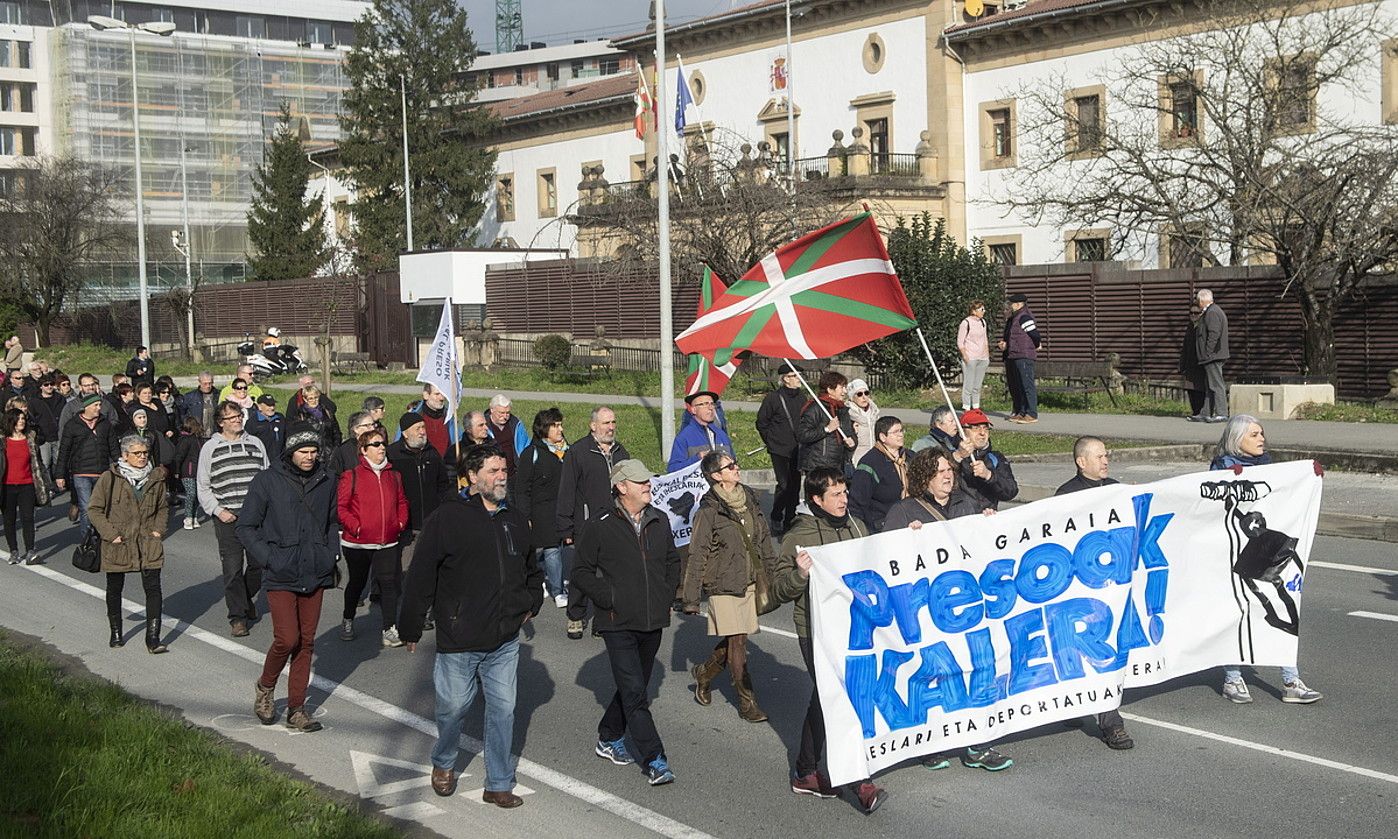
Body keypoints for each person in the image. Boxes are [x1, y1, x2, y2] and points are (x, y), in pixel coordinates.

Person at [399, 444, 542, 808]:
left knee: (504, 709)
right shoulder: (448, 518)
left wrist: (530, 603)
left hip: (504, 639)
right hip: (460, 637)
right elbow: (420, 575)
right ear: (473, 478)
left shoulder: (514, 518)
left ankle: (498, 782)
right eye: (493, 471)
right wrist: (411, 626)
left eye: (503, 470)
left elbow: (530, 567)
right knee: (453, 709)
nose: (501, 477)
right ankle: (444, 761)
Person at [881, 449, 1014, 773]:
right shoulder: (903, 511)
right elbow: (885, 559)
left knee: (978, 669)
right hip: (927, 611)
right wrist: (904, 539)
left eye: (949, 470)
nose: (947, 475)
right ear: (924, 477)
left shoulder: (965, 505)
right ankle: (930, 742)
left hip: (964, 608)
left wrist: (989, 526)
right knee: (933, 675)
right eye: (939, 471)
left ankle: (977, 744)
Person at [770, 468, 883, 813]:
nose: (843, 499)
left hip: (856, 628)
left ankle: (805, 771)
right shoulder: (799, 535)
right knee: (841, 699)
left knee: (827, 699)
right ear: (816, 500)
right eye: (835, 494)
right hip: (815, 631)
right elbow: (777, 588)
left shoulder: (856, 525)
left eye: (844, 492)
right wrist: (800, 574)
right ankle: (858, 781)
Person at [573, 458, 681, 786]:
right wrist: (609, 598)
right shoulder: (601, 524)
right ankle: (655, 759)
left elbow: (672, 561)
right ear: (621, 487)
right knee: (635, 691)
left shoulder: (659, 520)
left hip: (652, 620)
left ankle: (608, 736)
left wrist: (665, 595)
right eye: (641, 482)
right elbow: (579, 572)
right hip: (616, 621)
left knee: (634, 686)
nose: (649, 486)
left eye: (648, 481)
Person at [1210, 414, 1322, 705]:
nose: (1261, 439)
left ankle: (1290, 680)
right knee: (1239, 613)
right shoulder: (1220, 468)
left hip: (1268, 550)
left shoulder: (1270, 466)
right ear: (1237, 439)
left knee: (1284, 609)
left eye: (1262, 433)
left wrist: (1310, 477)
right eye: (1254, 434)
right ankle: (1232, 678)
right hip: (1236, 553)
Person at [241, 424, 339, 733]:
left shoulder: (327, 479)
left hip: (316, 568)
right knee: (287, 638)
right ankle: (266, 687)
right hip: (280, 570)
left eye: (314, 451)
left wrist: (330, 553)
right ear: (290, 453)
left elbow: (332, 521)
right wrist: (269, 558)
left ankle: (297, 708)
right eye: (304, 452)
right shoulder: (267, 481)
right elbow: (246, 527)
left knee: (306, 642)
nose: (310, 457)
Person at [683, 450, 777, 723]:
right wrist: (690, 598)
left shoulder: (749, 499)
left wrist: (772, 576)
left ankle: (704, 673)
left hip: (749, 580)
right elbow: (697, 553)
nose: (737, 468)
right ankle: (747, 702)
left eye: (735, 464)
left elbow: (764, 541)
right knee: (738, 640)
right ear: (716, 476)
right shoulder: (709, 511)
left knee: (738, 637)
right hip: (724, 583)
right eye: (730, 466)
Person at [1053, 435, 1135, 750]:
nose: (1105, 461)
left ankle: (1110, 722)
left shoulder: (1115, 488)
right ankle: (1080, 707)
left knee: (1104, 652)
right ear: (1081, 461)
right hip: (1078, 588)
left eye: (1106, 455)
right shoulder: (1065, 495)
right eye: (1099, 456)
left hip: (1110, 586)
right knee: (1076, 649)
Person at [89, 434, 170, 653]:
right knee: (115, 587)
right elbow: (94, 509)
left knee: (153, 588)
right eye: (137, 453)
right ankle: (116, 632)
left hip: (147, 542)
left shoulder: (156, 477)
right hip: (119, 542)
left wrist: (158, 531)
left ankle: (153, 639)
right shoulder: (110, 478)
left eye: (145, 453)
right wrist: (111, 534)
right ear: (125, 455)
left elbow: (163, 507)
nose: (143, 457)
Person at [556, 406, 630, 640]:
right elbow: (566, 490)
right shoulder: (578, 452)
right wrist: (565, 526)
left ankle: (603, 619)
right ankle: (576, 616)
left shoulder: (621, 452)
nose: (611, 427)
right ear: (593, 425)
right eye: (606, 423)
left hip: (616, 523)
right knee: (583, 572)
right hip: (587, 524)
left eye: (613, 422)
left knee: (610, 574)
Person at [198, 400, 270, 637]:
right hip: (227, 517)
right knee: (232, 569)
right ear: (220, 423)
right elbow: (203, 485)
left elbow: (266, 478)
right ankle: (237, 618)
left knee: (259, 564)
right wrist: (218, 511)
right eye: (231, 417)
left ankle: (245, 599)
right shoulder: (210, 448)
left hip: (255, 518)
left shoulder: (255, 443)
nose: (237, 419)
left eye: (239, 415)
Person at [338, 426, 409, 647]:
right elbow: (342, 507)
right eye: (376, 444)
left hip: (387, 541)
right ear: (363, 450)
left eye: (383, 444)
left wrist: (398, 523)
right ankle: (348, 618)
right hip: (358, 543)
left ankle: (389, 628)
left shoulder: (393, 475)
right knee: (357, 583)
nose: (381, 448)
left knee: (389, 584)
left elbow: (402, 502)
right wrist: (356, 527)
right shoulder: (352, 475)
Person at [387, 412, 450, 633]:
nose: (422, 432)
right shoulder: (393, 455)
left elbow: (443, 484)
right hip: (407, 528)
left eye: (423, 428)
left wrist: (443, 506)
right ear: (405, 433)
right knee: (408, 575)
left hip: (431, 524)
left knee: (430, 572)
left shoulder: (432, 453)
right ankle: (405, 615)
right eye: (417, 429)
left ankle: (426, 613)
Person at [515, 407, 570, 607]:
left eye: (560, 425)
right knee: (551, 549)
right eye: (555, 426)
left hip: (562, 509)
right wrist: (525, 516)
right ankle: (558, 591)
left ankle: (544, 577)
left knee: (556, 547)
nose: (560, 429)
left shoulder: (566, 450)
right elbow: (522, 488)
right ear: (543, 429)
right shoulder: (532, 453)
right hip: (541, 511)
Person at [56, 393, 120, 535]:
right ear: (86, 407)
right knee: (86, 507)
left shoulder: (105, 423)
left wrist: (120, 466)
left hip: (102, 472)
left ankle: (100, 535)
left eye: (100, 405)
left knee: (101, 507)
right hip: (81, 473)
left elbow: (114, 447)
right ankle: (87, 538)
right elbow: (64, 451)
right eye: (96, 405)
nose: (99, 408)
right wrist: (59, 475)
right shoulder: (72, 425)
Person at [756, 362, 806, 536]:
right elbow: (762, 422)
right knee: (784, 485)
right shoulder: (773, 398)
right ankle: (776, 516)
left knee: (795, 485)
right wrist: (771, 442)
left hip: (797, 449)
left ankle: (790, 519)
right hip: (779, 450)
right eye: (795, 375)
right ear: (785, 379)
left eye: (799, 374)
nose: (799, 378)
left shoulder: (802, 397)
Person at [1, 408, 51, 565]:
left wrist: (46, 482)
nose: (22, 421)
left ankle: (30, 551)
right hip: (7, 486)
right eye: (18, 418)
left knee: (28, 518)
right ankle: (14, 551)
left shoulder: (30, 439)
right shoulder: (3, 441)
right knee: (9, 520)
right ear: (11, 421)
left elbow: (39, 463)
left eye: (23, 418)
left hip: (27, 485)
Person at [849, 415, 909, 532]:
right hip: (882, 524)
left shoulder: (909, 457)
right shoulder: (870, 463)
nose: (901, 434)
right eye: (895, 432)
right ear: (883, 437)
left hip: (909, 519)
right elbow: (857, 502)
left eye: (901, 430)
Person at [949, 409, 1018, 511]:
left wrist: (989, 476)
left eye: (986, 428)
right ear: (962, 431)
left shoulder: (995, 458)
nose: (982, 433)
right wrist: (958, 457)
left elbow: (1011, 492)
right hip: (959, 521)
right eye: (976, 428)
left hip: (987, 520)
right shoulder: (948, 454)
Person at [796, 371, 856, 476]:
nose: (845, 391)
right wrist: (826, 429)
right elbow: (802, 435)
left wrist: (852, 442)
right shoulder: (815, 408)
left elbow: (849, 433)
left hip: (837, 464)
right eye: (841, 387)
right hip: (817, 465)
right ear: (830, 390)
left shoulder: (842, 410)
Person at [998, 293, 1041, 423]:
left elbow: (1035, 334)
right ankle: (1021, 412)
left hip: (1023, 355)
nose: (1010, 306)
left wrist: (1037, 345)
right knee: (1017, 385)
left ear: (1018, 304)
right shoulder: (1014, 318)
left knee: (1026, 385)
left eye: (1011, 304)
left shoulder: (1024, 317)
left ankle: (1031, 413)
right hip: (1014, 355)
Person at [667, 390, 733, 473]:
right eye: (704, 404)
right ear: (694, 410)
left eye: (712, 404)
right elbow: (673, 469)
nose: (710, 408)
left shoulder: (721, 435)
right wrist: (697, 458)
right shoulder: (684, 437)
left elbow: (733, 462)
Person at [1194, 288, 1230, 423]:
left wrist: (1208, 352)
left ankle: (1222, 413)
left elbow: (1214, 334)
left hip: (1213, 356)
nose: (1198, 304)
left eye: (1198, 301)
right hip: (1213, 355)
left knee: (1216, 384)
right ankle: (1206, 412)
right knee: (1210, 385)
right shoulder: (1214, 311)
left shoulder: (1212, 312)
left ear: (1202, 300)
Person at [400, 384, 458, 460]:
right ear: (426, 395)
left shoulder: (450, 418)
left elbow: (457, 442)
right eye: (437, 394)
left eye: (443, 394)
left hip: (445, 466)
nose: (441, 398)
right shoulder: (412, 418)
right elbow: (399, 447)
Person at [172, 417, 205, 530]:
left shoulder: (199, 440)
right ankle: (188, 517)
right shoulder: (186, 440)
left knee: (197, 495)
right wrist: (176, 471)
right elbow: (179, 457)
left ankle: (194, 516)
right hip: (187, 471)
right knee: (191, 493)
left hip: (198, 471)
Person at [484, 393, 530, 475]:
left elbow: (526, 447)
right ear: (492, 409)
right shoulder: (483, 426)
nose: (505, 416)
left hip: (514, 473)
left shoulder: (516, 424)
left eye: (507, 413)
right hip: (491, 475)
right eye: (501, 413)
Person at [957, 300, 991, 411]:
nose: (984, 311)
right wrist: (965, 356)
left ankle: (976, 408)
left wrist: (987, 356)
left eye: (984, 309)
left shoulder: (983, 322)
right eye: (981, 309)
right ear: (974, 311)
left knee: (977, 385)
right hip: (970, 358)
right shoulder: (965, 323)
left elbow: (985, 339)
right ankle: (966, 409)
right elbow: (960, 342)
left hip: (982, 358)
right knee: (969, 385)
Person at [290, 386, 341, 451]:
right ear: (305, 399)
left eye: (316, 397)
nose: (314, 401)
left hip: (330, 452)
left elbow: (336, 432)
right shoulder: (300, 415)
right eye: (310, 398)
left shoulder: (327, 412)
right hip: (312, 453)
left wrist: (336, 448)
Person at [1180, 303, 1207, 419]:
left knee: (1200, 389)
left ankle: (1200, 412)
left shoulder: (1203, 326)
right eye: (1191, 313)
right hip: (1190, 362)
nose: (1193, 315)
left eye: (1196, 313)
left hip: (1200, 363)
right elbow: (1185, 346)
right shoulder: (1190, 327)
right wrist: (1182, 364)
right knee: (1190, 389)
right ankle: (1194, 412)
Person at [845, 378, 880, 467]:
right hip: (857, 460)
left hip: (874, 457)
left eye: (866, 393)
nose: (864, 397)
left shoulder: (875, 413)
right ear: (852, 398)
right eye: (859, 394)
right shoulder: (847, 414)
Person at [328, 411, 374, 475]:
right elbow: (334, 475)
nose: (373, 428)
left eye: (373, 425)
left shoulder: (378, 446)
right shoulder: (343, 451)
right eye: (367, 425)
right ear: (356, 429)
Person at [179, 372, 220, 439]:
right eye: (205, 383)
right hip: (196, 435)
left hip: (215, 434)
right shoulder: (190, 397)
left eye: (210, 383)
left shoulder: (219, 395)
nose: (208, 386)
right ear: (199, 382)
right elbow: (182, 413)